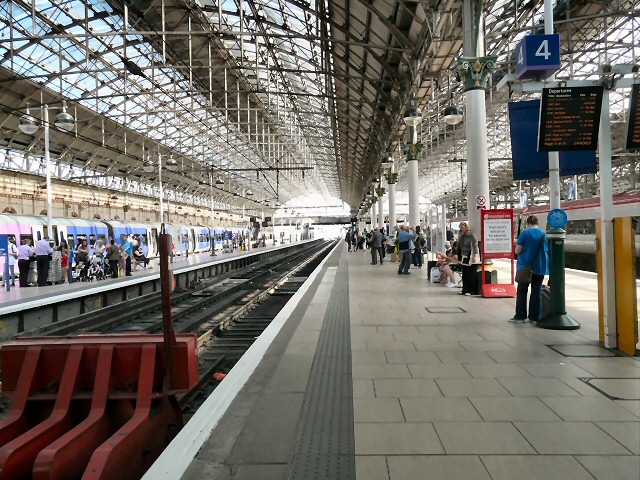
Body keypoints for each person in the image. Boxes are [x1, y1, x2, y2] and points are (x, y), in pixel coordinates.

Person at [511, 215, 548, 323]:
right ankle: (534, 317)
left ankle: (520, 316)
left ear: (528, 224)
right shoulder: (544, 235)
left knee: (522, 291)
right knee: (536, 291)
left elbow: (517, 251)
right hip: (540, 267)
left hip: (525, 267)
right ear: (537, 223)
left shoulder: (525, 234)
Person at [457, 222, 479, 296]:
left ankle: (470, 290)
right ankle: (464, 289)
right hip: (464, 256)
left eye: (462, 227)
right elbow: (459, 246)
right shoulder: (462, 236)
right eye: (460, 228)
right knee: (465, 274)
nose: (461, 229)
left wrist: (475, 256)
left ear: (466, 227)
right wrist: (459, 236)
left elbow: (475, 246)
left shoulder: (472, 235)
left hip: (471, 255)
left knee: (471, 274)